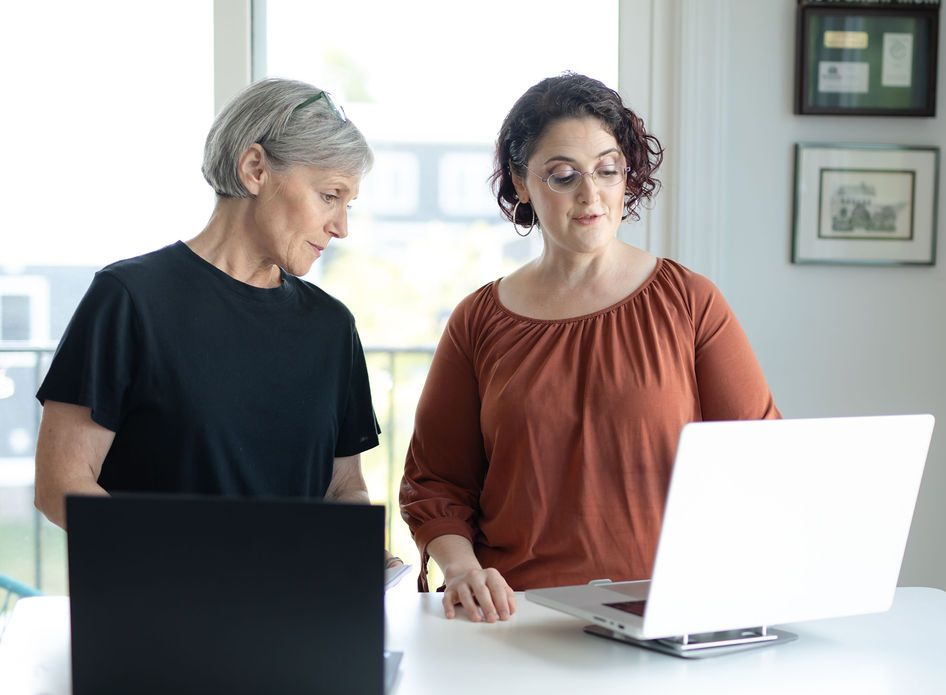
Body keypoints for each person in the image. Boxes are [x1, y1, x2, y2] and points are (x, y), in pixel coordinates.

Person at [399, 73, 778, 622]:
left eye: (607, 169)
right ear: (522, 183)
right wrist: (461, 569)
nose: (590, 194)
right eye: (562, 175)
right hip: (514, 616)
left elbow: (758, 458)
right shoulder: (477, 320)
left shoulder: (690, 302)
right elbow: (436, 483)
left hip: (663, 611)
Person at [35, 77, 400, 566]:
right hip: (158, 614)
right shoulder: (129, 299)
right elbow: (61, 483)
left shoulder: (332, 327)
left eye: (347, 204)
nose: (342, 227)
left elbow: (343, 485)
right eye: (329, 196)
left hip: (298, 619)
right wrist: (189, 568)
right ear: (255, 169)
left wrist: (356, 550)